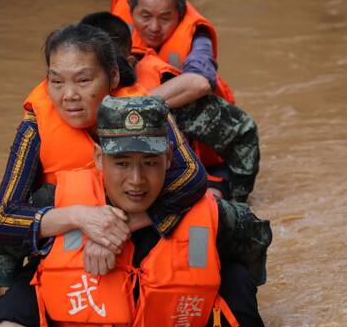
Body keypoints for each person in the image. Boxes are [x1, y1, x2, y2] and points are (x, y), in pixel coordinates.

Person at [0, 96, 272, 327]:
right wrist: (18, 295)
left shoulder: (210, 214)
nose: (136, 180)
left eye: (150, 163)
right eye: (122, 163)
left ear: (169, 158)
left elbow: (255, 240)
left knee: (236, 280)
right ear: (99, 159)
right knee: (15, 319)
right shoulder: (57, 200)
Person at [0, 23, 208, 294]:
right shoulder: (35, 127)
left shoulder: (141, 110)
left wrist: (118, 225)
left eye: (83, 80)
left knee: (211, 208)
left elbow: (192, 175)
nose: (69, 96)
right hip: (71, 225)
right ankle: (14, 307)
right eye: (57, 81)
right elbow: (3, 217)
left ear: (112, 78)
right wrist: (81, 217)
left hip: (139, 216)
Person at [110, 0, 260, 200]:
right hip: (150, 128)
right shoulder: (113, 27)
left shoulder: (197, 35)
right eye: (145, 16)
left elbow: (200, 82)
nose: (154, 27)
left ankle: (231, 195)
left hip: (197, 136)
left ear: (180, 13)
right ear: (131, 10)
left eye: (165, 18)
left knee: (214, 196)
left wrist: (132, 109)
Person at [81, 11, 258, 201]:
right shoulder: (63, 102)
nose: (74, 91)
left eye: (104, 70)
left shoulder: (167, 94)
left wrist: (238, 198)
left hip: (171, 191)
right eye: (83, 76)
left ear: (125, 66)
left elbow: (243, 131)